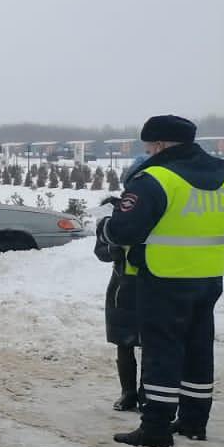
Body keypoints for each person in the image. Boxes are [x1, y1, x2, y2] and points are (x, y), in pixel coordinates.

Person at [100, 115, 224, 447]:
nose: (148, 151)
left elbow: (124, 230)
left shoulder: (155, 179)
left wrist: (105, 225)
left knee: (161, 351)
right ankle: (193, 422)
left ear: (160, 144)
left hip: (164, 277)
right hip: (208, 277)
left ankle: (156, 428)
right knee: (198, 350)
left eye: (150, 146)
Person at [94, 166, 144, 411]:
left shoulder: (153, 211)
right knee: (123, 343)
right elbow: (100, 252)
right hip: (120, 289)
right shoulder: (113, 213)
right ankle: (128, 393)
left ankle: (147, 393)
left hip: (150, 286)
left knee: (151, 344)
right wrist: (113, 249)